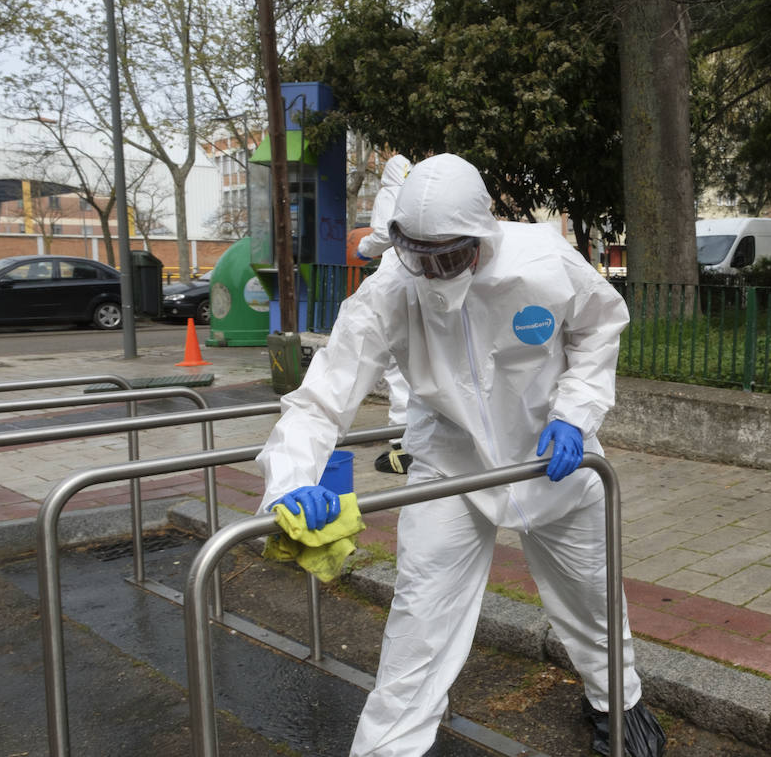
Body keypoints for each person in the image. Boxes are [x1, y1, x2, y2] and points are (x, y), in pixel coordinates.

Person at [257, 153, 665, 757]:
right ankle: (388, 748)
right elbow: (321, 399)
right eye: (416, 256)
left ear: (481, 237)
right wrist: (292, 479)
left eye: (446, 256)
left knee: (591, 594)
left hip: (550, 456)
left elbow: (600, 325)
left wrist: (576, 415)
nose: (432, 273)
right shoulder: (390, 292)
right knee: (421, 616)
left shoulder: (544, 264)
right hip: (452, 466)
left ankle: (617, 701)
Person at [355, 153, 414, 474]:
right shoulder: (418, 195)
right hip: (424, 284)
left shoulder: (389, 194)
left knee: (397, 367)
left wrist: (362, 249)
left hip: (395, 286)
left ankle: (401, 448)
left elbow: (382, 234)